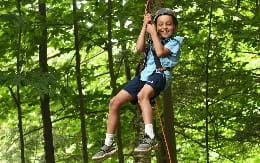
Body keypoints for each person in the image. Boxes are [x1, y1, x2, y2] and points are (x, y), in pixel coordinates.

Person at [92, 8, 183, 160]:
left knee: (143, 95)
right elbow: (139, 48)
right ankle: (108, 144)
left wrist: (153, 32)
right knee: (114, 102)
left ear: (175, 27)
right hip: (144, 76)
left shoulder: (176, 41)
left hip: (161, 74)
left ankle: (150, 137)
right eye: (160, 24)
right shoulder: (152, 38)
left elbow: (160, 52)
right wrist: (144, 26)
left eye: (168, 24)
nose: (164, 27)